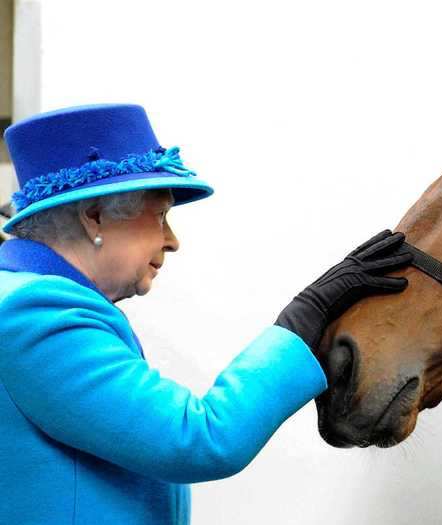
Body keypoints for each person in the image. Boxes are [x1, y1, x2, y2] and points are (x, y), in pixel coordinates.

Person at [0, 104, 412, 524]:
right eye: (160, 215)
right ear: (94, 217)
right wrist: (305, 318)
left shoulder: (35, 301)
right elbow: (199, 440)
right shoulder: (33, 314)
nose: (172, 240)